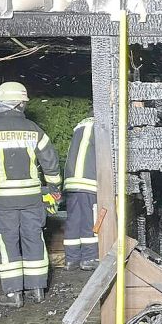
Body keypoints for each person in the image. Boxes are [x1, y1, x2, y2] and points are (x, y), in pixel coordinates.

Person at [0, 82, 62, 307]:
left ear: (0, 103)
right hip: (32, 198)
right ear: (21, 104)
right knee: (34, 239)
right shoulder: (34, 130)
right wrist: (55, 189)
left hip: (3, 201)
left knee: (7, 242)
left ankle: (13, 295)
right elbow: (50, 162)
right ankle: (37, 290)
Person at [62, 112, 99, 271]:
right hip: (88, 181)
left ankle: (71, 260)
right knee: (90, 221)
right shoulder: (100, 125)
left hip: (72, 181)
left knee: (74, 221)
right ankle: (89, 258)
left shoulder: (81, 125)